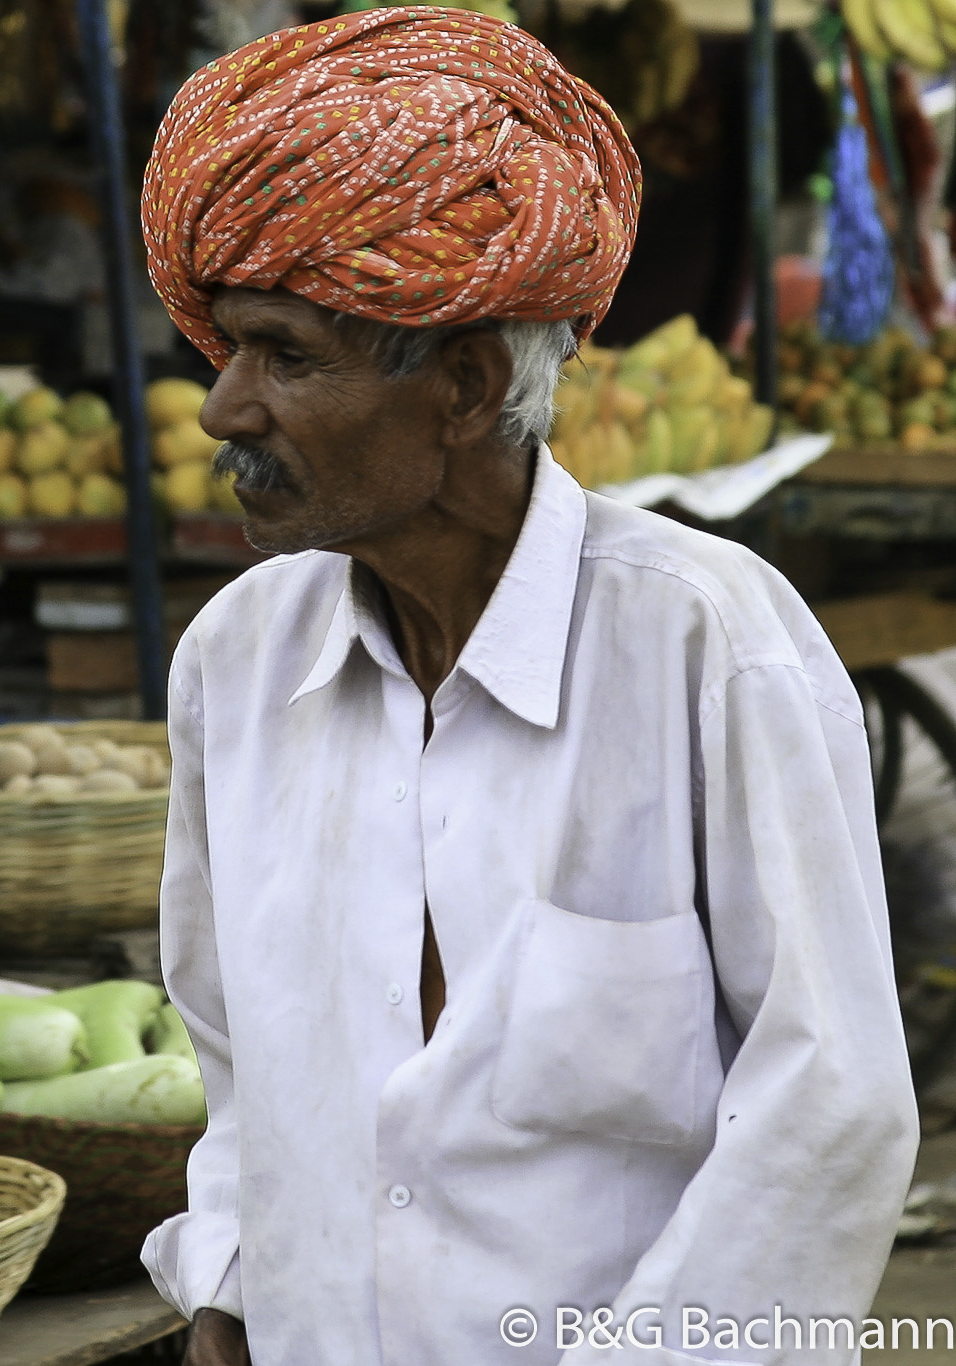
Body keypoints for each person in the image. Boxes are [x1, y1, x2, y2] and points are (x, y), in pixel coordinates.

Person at [137, 10, 917, 1365]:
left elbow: (829, 1105)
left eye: (286, 354)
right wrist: (232, 1289)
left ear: (464, 385)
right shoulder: (235, 662)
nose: (224, 409)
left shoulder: (705, 645)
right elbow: (234, 1058)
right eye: (230, 349)